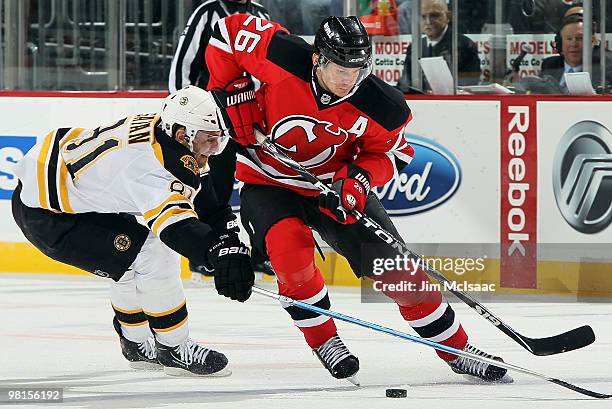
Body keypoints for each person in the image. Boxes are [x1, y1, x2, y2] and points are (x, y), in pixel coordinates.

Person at [205, 13, 508, 383]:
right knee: (290, 253)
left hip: (335, 190)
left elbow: (393, 155)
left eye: (358, 69)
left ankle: (458, 351)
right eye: (340, 68)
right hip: (269, 182)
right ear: (317, 59)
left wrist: (359, 180)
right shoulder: (282, 55)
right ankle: (325, 341)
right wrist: (229, 87)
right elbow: (226, 31)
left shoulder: (383, 106)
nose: (349, 79)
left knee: (400, 273)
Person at [11, 86, 255, 376]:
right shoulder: (152, 168)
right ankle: (174, 348)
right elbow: (176, 230)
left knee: (128, 262)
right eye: (208, 141)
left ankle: (137, 345)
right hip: (50, 217)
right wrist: (217, 254)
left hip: (63, 189)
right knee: (155, 253)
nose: (213, 150)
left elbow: (206, 201)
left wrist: (227, 240)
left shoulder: (166, 130)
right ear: (182, 135)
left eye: (218, 141)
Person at [169, 0, 274, 283]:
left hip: (253, 118)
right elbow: (184, 64)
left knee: (265, 183)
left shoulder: (260, 14)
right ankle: (209, 251)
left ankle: (263, 253)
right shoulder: (207, 12)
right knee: (214, 186)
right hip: (211, 121)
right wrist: (185, 112)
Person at [396, 0, 481, 93]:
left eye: (434, 16)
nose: (428, 21)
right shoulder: (414, 47)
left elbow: (468, 87)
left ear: (448, 16)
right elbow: (405, 85)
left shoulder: (465, 45)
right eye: (423, 16)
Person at [541, 12, 612, 92]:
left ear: (592, 41)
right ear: (560, 43)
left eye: (579, 38)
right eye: (569, 39)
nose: (574, 44)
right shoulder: (549, 65)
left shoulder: (605, 67)